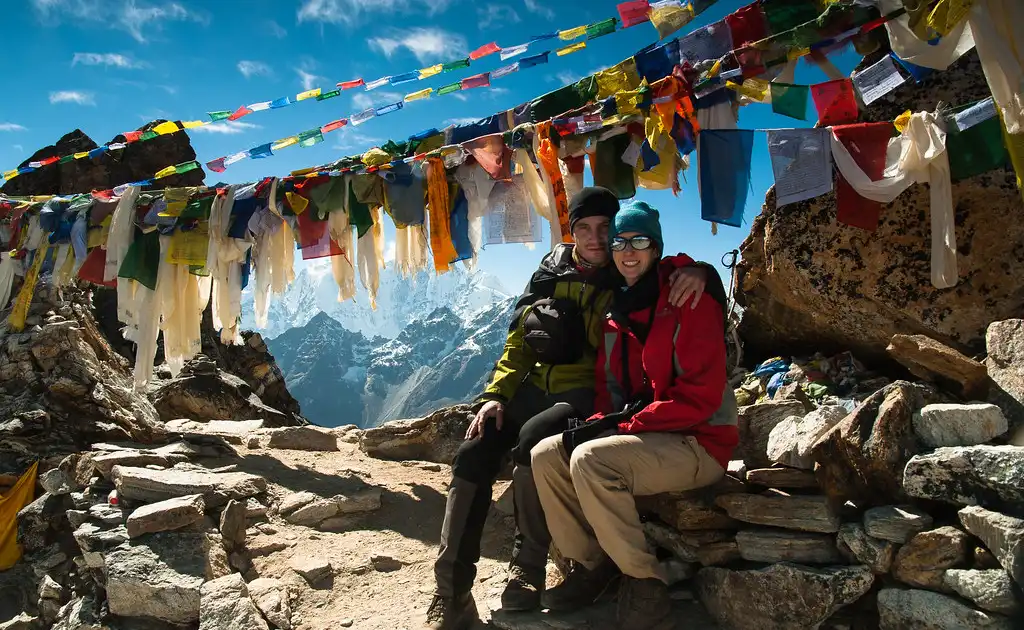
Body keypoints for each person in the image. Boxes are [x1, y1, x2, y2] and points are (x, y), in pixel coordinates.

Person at [425, 188, 719, 630]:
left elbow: (670, 270)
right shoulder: (549, 272)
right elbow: (520, 339)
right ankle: (450, 594)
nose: (600, 240)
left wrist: (704, 271)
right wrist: (495, 397)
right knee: (474, 451)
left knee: (533, 443)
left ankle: (527, 566)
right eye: (586, 228)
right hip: (532, 387)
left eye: (607, 229)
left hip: (585, 393)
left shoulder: (627, 277)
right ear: (572, 231)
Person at [529, 201, 738, 630]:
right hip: (651, 434)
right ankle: (592, 566)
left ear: (656, 247)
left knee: (590, 460)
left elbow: (699, 399)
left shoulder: (688, 296)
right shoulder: (616, 312)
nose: (628, 250)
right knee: (547, 454)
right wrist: (605, 423)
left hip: (699, 440)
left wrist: (616, 428)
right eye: (620, 241)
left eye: (639, 241)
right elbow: (610, 388)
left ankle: (646, 583)